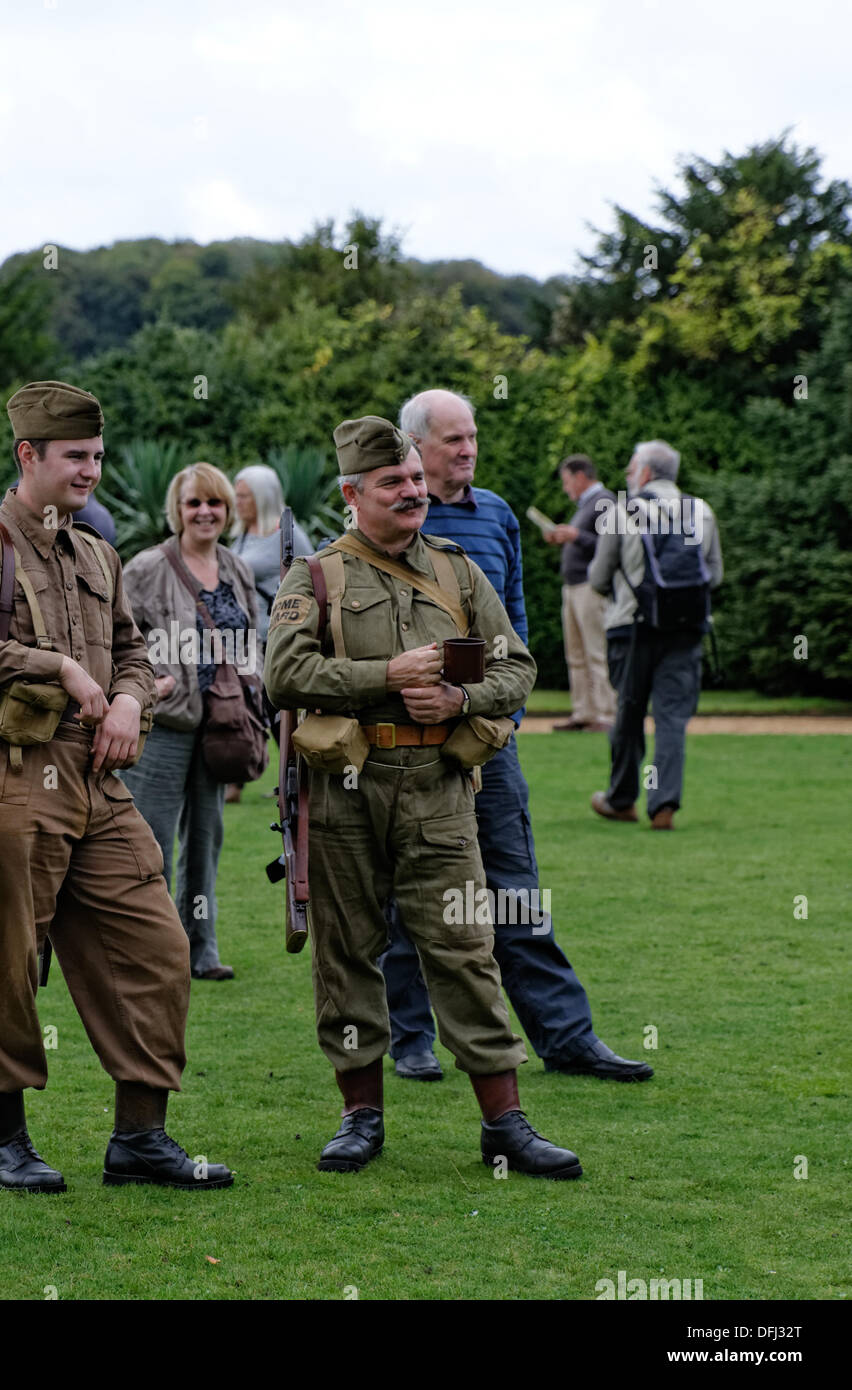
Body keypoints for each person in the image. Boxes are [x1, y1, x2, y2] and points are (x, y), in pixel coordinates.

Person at [0, 379, 233, 1194]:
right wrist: (52, 665)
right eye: (75, 457)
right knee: (5, 962)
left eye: (97, 455)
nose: (91, 470)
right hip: (13, 776)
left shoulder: (96, 551)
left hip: (98, 779)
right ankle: (5, 1141)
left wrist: (131, 697)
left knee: (158, 948)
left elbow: (132, 651)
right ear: (29, 456)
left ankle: (138, 1139)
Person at [264, 415, 581, 1178]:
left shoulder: (459, 571)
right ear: (352, 493)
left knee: (466, 951)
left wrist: (462, 701)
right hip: (343, 791)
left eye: (413, 479)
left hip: (441, 790)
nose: (412, 493)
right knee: (347, 957)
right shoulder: (313, 577)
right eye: (392, 484)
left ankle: (505, 1123)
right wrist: (388, 678)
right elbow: (283, 675)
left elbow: (518, 668)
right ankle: (359, 1117)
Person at [379, 389, 653, 1083]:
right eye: (452, 440)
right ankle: (408, 1039)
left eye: (472, 437)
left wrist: (506, 716)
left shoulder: (496, 513)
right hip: (406, 746)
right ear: (414, 447)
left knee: (513, 890)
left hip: (490, 740)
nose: (468, 449)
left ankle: (566, 1037)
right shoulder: (385, 517)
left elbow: (517, 626)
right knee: (407, 892)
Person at [121, 463, 262, 980]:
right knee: (150, 842)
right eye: (194, 503)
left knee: (206, 840)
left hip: (221, 725)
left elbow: (251, 638)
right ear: (177, 510)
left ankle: (201, 949)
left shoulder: (236, 567)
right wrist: (148, 681)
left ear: (227, 510)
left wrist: (254, 690)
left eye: (215, 503)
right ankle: (149, 950)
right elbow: (116, 637)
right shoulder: (146, 567)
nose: (205, 512)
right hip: (165, 724)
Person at [588, 439, 723, 831]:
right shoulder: (702, 511)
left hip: (631, 629)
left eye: (632, 468)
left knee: (628, 714)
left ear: (645, 473)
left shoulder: (621, 511)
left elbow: (597, 578)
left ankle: (621, 799)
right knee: (671, 719)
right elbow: (714, 575)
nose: (629, 475)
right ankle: (663, 805)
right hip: (686, 631)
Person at [543, 455, 616, 731]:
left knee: (596, 651)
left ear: (581, 476)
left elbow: (611, 544)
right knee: (576, 653)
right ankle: (583, 712)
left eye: (566, 481)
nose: (565, 488)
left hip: (591, 587)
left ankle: (606, 714)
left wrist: (575, 536)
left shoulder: (605, 501)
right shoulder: (586, 505)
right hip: (573, 587)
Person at [230, 464, 313, 642]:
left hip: (274, 639)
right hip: (243, 639)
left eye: (243, 496)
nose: (237, 502)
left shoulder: (287, 534)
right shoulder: (243, 534)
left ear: (262, 498)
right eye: (236, 496)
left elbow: (314, 578)